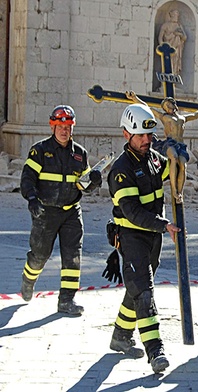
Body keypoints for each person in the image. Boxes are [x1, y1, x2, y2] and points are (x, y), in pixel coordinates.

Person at [106, 103, 180, 374]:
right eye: (141, 136)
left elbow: (170, 173)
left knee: (136, 288)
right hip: (132, 236)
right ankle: (155, 351)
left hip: (153, 237)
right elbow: (133, 212)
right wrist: (165, 225)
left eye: (149, 136)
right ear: (127, 134)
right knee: (144, 292)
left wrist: (176, 155)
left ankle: (121, 336)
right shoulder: (121, 170)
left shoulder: (152, 158)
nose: (147, 140)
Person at [20, 105, 102, 315]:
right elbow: (27, 179)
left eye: (68, 126)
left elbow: (83, 186)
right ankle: (28, 280)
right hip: (45, 212)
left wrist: (93, 182)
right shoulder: (40, 151)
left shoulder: (79, 154)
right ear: (53, 126)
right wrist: (31, 199)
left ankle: (67, 300)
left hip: (71, 212)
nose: (64, 130)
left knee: (72, 255)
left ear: (72, 127)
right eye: (60, 126)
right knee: (39, 255)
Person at [125, 90, 198, 204]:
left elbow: (195, 115)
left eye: (168, 105)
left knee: (183, 165)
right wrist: (134, 98)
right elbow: (147, 107)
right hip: (170, 143)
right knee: (174, 157)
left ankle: (180, 192)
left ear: (173, 104)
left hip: (181, 145)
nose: (167, 108)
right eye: (165, 107)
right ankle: (174, 190)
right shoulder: (164, 117)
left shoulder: (183, 118)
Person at [158, 9, 187, 75]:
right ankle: (166, 79)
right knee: (167, 62)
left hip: (177, 49)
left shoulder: (179, 26)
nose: (176, 17)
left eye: (177, 16)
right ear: (171, 16)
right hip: (168, 47)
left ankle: (174, 76)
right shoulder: (165, 25)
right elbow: (160, 37)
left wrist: (179, 34)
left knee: (175, 63)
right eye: (175, 16)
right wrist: (163, 47)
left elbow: (185, 37)